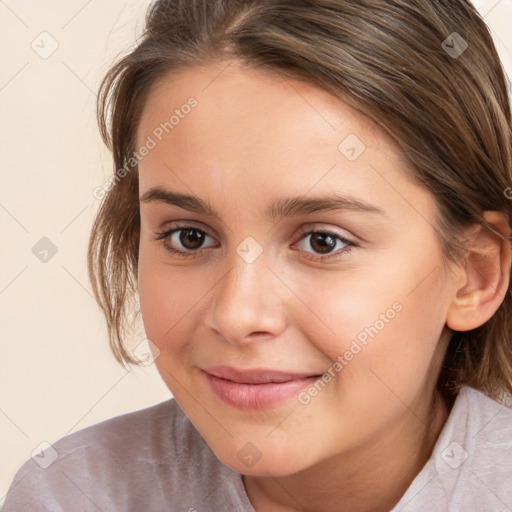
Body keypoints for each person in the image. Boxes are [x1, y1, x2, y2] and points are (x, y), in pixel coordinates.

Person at [4, 0, 512, 510]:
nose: (237, 315)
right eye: (190, 237)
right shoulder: (70, 496)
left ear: (473, 274)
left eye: (322, 241)